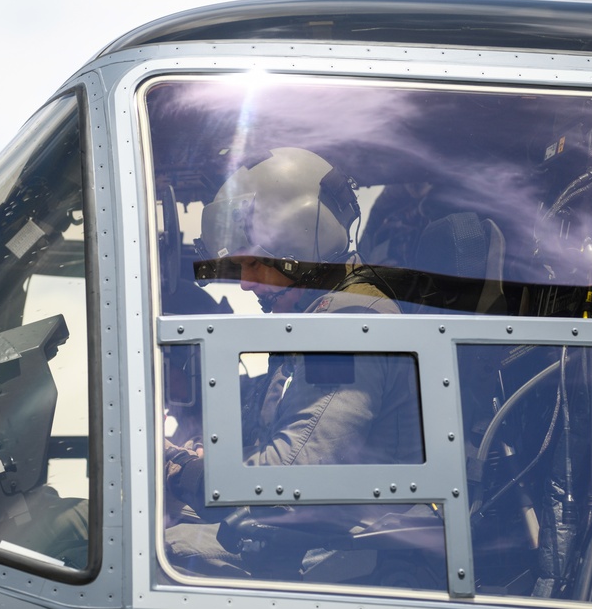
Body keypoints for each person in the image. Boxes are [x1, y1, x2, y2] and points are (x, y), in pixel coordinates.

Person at [164, 147, 426, 580]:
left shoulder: (349, 324)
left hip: (344, 545)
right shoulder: (322, 317)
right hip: (316, 530)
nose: (246, 283)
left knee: (158, 552)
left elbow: (292, 478)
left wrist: (181, 470)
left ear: (304, 240)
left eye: (254, 263)